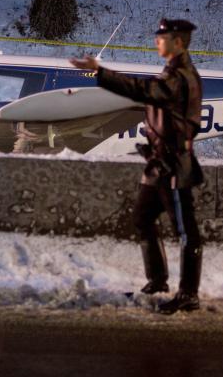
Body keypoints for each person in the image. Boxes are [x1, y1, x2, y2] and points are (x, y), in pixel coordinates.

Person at [70, 18, 205, 313]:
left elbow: (144, 91)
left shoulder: (180, 76)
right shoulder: (172, 73)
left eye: (163, 36)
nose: (157, 40)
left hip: (174, 166)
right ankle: (158, 280)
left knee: (186, 231)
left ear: (178, 42)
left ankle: (189, 294)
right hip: (157, 163)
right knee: (143, 218)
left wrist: (101, 72)